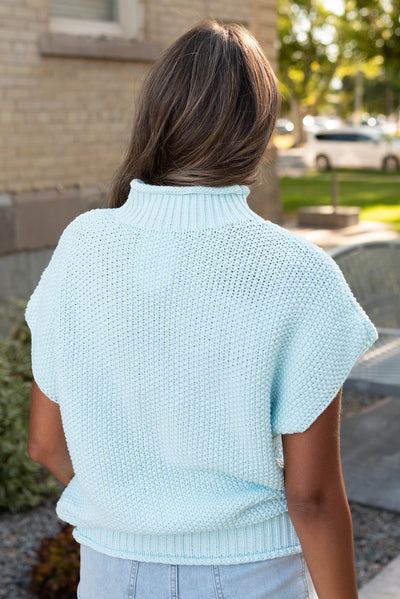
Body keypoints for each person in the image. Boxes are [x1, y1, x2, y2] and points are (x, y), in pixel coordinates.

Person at [26, 19, 378, 599]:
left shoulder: (81, 246)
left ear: (158, 116)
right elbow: (311, 498)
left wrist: (135, 507)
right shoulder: (297, 271)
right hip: (252, 577)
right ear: (258, 129)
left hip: (111, 574)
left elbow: (45, 444)